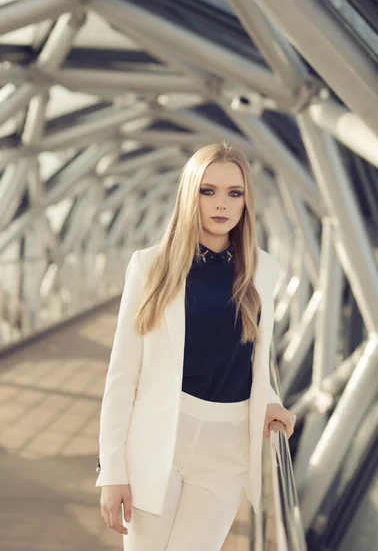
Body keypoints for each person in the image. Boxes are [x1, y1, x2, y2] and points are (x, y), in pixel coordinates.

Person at [96, 142, 296, 550]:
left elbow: (251, 357)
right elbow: (122, 374)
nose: (221, 203)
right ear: (190, 195)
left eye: (233, 193)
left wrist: (269, 399)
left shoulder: (264, 271)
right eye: (208, 191)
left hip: (227, 446)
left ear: (245, 202)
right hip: (158, 441)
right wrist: (112, 469)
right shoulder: (150, 266)